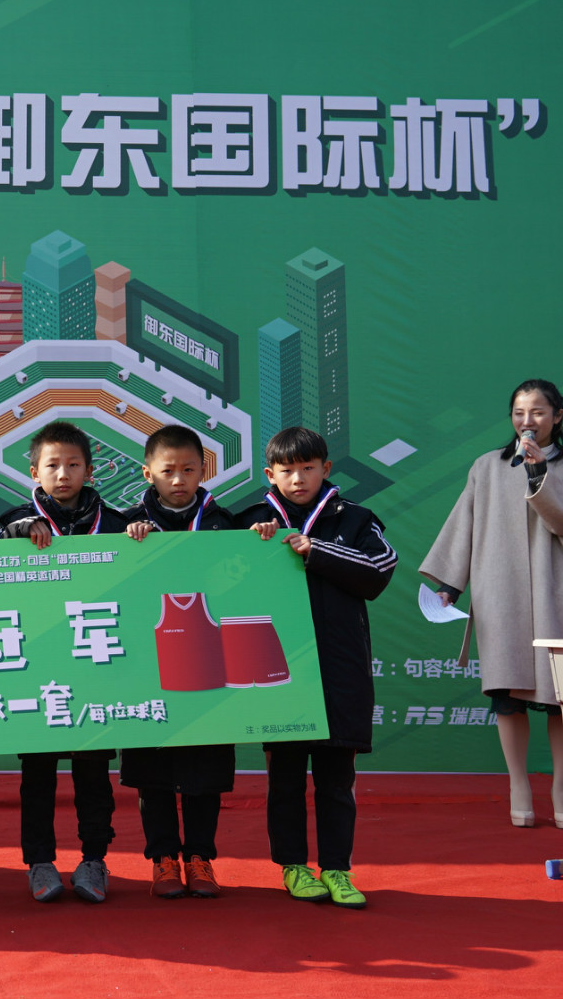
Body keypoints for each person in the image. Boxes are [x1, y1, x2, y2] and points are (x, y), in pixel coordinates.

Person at [241, 426, 396, 909]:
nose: (298, 479)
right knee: (284, 779)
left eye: (308, 468)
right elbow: (217, 578)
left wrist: (316, 550)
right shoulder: (250, 521)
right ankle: (292, 866)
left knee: (336, 780)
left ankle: (337, 870)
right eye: (287, 470)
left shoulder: (356, 519)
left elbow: (379, 572)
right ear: (270, 474)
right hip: (278, 673)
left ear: (326, 469)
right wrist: (250, 549)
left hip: (339, 672)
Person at [421, 378, 563, 828]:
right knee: (507, 693)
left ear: (558, 417)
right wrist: (450, 585)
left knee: (560, 696)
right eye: (519, 412)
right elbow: (463, 524)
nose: (527, 421)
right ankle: (518, 784)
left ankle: (561, 787)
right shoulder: (487, 466)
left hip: (556, 592)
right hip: (500, 593)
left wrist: (538, 474)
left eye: (537, 412)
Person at [0, 421, 126, 905]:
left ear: (90, 471)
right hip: (37, 668)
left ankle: (94, 859)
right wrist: (12, 536)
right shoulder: (12, 523)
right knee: (38, 774)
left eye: (73, 465)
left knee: (94, 775)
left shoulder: (117, 524)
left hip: (96, 665)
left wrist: (143, 538)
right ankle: (40, 861)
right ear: (34, 471)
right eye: (52, 465)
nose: (63, 473)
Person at [119, 426, 237, 899]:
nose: (178, 479)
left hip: (210, 664)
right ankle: (164, 858)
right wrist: (126, 544)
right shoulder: (125, 526)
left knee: (205, 768)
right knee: (154, 771)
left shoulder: (226, 525)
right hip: (147, 665)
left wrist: (261, 541)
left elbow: (246, 580)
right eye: (167, 470)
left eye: (188, 470)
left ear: (203, 471)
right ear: (148, 473)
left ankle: (200, 857)